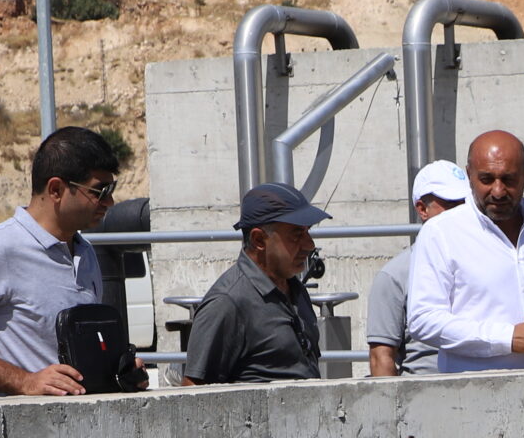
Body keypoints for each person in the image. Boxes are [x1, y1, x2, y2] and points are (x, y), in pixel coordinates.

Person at [0, 125, 134, 396]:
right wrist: (24, 381)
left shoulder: (86, 252)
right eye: (99, 191)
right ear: (56, 189)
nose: (110, 202)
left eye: (111, 190)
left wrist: (119, 372)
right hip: (23, 432)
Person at [405, 129, 524, 372]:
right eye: (487, 179)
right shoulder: (441, 232)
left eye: (509, 179)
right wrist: (507, 339)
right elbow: (423, 319)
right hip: (474, 396)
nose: (498, 191)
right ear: (469, 175)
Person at [178, 183, 330, 385]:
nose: (309, 245)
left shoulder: (295, 289)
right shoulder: (227, 303)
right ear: (259, 239)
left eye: (307, 231)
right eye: (296, 234)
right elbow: (194, 393)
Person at [367, 161, 470, 377]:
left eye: (466, 205)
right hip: (423, 400)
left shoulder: (486, 262)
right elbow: (381, 358)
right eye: (451, 205)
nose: (461, 214)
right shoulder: (395, 275)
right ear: (422, 209)